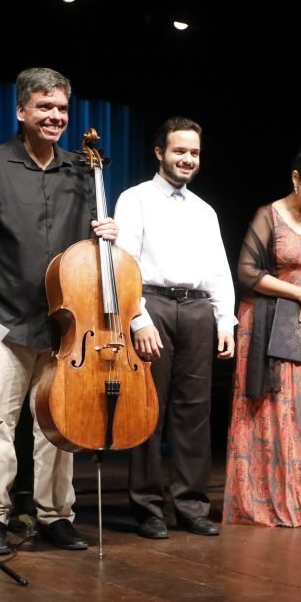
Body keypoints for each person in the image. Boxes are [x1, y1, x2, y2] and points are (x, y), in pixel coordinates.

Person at [0, 67, 118, 555]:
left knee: (60, 426)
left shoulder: (82, 169)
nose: (55, 116)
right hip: (3, 321)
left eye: (62, 108)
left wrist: (107, 236)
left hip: (66, 324)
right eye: (45, 107)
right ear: (21, 111)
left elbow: (91, 249)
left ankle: (55, 516)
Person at [114, 116, 237, 540]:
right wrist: (138, 318)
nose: (188, 159)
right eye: (180, 151)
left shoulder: (204, 211)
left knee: (194, 413)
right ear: (159, 153)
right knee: (149, 409)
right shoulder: (135, 199)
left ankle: (190, 506)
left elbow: (218, 270)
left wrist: (225, 321)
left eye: (194, 153)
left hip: (197, 309)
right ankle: (147, 506)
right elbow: (124, 264)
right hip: (154, 305)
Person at [223, 146, 301, 529]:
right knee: (268, 408)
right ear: (295, 177)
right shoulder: (268, 215)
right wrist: (299, 293)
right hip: (264, 321)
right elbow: (246, 271)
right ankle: (262, 503)